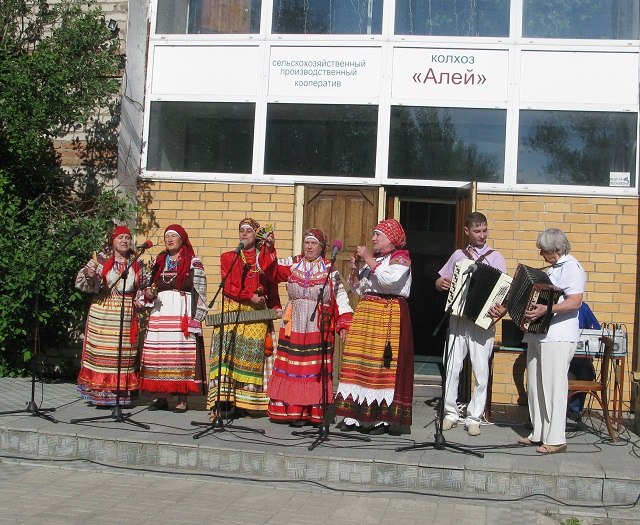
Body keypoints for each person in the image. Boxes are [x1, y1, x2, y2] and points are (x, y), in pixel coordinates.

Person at [260, 228, 353, 427]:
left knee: (311, 370)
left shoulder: (329, 269)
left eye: (313, 244)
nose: (309, 247)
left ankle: (312, 411)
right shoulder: (294, 263)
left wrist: (344, 321)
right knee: (292, 367)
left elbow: (341, 297)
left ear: (322, 248)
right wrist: (269, 248)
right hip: (294, 324)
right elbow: (270, 269)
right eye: (307, 243)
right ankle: (292, 411)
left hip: (318, 326)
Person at [334, 219, 413, 435]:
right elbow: (361, 290)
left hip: (388, 314)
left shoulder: (400, 258)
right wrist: (356, 273)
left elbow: (389, 281)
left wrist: (368, 259)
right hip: (367, 313)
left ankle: (379, 419)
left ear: (391, 240)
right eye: (374, 234)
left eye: (378, 235)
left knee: (381, 365)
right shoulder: (377, 260)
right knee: (357, 362)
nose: (373, 238)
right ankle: (353, 416)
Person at [435, 212, 507, 436]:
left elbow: (502, 289)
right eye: (477, 231)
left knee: (481, 369)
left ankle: (474, 417)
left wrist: (500, 308)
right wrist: (442, 283)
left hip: (482, 322)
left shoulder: (496, 257)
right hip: (458, 318)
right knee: (452, 365)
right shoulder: (459, 255)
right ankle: (450, 413)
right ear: (467, 231)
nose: (482, 235)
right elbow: (439, 281)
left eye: (485, 231)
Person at [518, 228, 586, 454]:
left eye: (543, 251)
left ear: (555, 250)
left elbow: (575, 302)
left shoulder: (572, 267)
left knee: (554, 385)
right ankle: (539, 432)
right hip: (539, 334)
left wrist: (546, 310)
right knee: (536, 384)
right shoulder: (554, 268)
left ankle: (556, 438)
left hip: (559, 335)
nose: (541, 255)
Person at [207, 218, 282, 417]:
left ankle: (245, 405)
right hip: (232, 309)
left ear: (256, 235)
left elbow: (272, 281)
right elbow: (229, 285)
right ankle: (223, 402)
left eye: (249, 231)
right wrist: (248, 295)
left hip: (256, 313)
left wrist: (275, 306)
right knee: (226, 353)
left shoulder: (263, 258)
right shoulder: (229, 257)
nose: (244, 234)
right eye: (242, 230)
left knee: (250, 356)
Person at [138, 224, 208, 413]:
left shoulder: (193, 261)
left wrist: (197, 317)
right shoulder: (160, 261)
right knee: (160, 354)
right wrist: (148, 294)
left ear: (182, 239)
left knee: (180, 353)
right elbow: (147, 286)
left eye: (173, 236)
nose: (169, 239)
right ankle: (161, 396)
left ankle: (182, 399)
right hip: (160, 313)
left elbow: (201, 291)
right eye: (167, 236)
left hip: (181, 311)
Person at [75, 226, 147, 406]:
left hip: (126, 314)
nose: (124, 241)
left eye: (127, 238)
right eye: (120, 238)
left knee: (123, 355)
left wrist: (143, 298)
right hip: (103, 312)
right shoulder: (100, 259)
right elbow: (81, 282)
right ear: (112, 241)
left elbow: (144, 287)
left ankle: (120, 395)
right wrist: (89, 275)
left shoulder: (136, 262)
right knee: (103, 352)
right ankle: (101, 395)